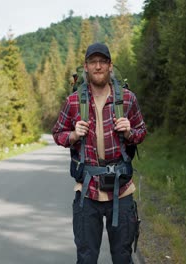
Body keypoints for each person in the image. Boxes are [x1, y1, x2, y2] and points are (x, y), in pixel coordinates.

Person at [52, 42, 147, 264]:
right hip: (87, 192)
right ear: (85, 67)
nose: (97, 67)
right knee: (86, 259)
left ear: (110, 66)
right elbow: (57, 133)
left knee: (123, 258)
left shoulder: (127, 99)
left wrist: (130, 132)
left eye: (102, 62)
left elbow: (142, 132)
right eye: (93, 62)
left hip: (121, 191)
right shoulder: (74, 101)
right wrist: (73, 135)